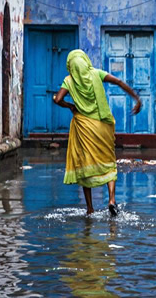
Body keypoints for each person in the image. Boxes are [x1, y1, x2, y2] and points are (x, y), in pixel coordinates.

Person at [52, 50, 142, 216]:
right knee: (108, 160)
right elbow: (119, 82)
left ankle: (90, 208)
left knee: (85, 164)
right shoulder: (96, 74)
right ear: (86, 61)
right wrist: (137, 98)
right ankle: (112, 200)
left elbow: (58, 99)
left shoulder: (69, 80)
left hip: (84, 127)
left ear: (70, 66)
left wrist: (70, 106)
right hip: (102, 125)